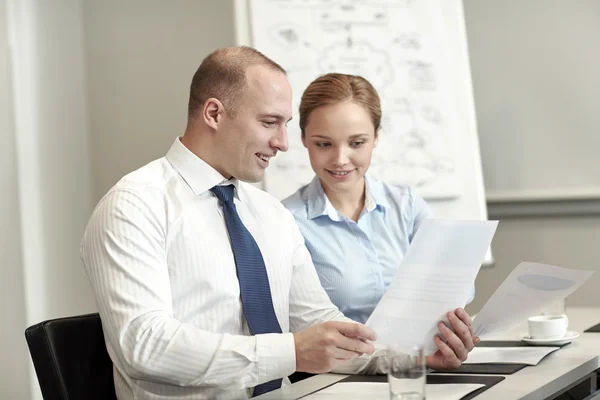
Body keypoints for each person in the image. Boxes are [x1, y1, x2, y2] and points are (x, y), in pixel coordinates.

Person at [81, 47, 477, 400]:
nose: (284, 143)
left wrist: (413, 357)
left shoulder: (268, 214)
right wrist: (292, 352)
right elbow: (144, 346)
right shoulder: (134, 205)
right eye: (270, 122)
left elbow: (319, 322)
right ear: (214, 113)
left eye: (286, 125)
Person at [282, 72, 478, 329]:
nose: (341, 159)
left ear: (375, 138)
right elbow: (303, 323)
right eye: (324, 144)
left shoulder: (405, 204)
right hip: (339, 367)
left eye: (357, 143)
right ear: (304, 139)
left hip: (415, 358)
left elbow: (459, 285)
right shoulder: (286, 220)